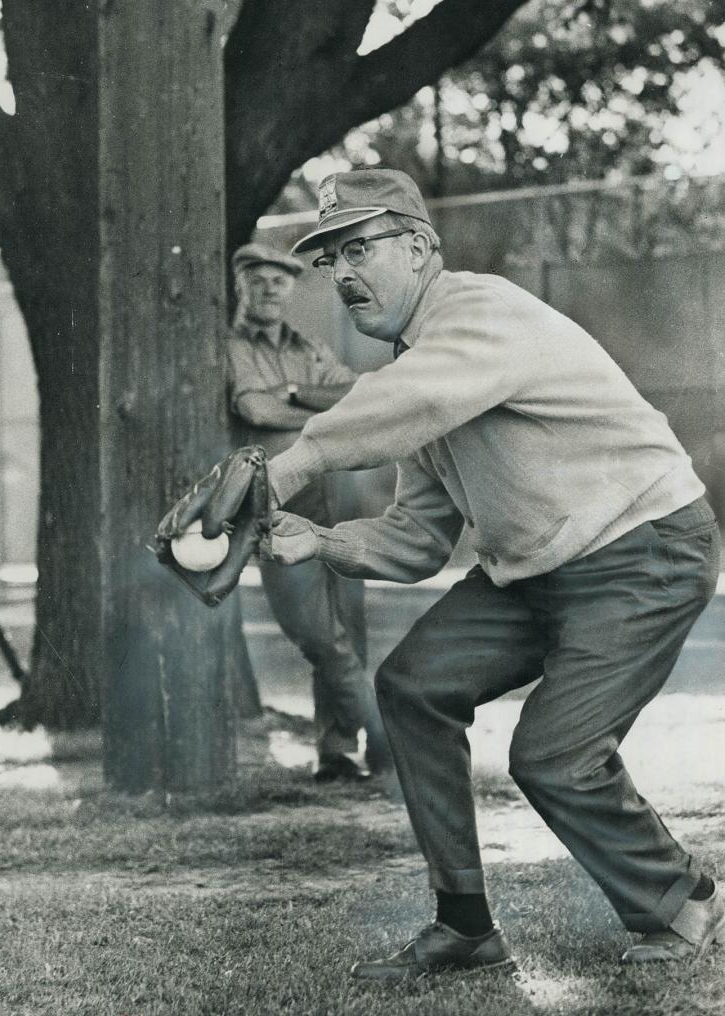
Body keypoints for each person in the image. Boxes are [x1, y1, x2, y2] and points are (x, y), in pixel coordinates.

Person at [183, 170, 723, 975]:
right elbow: (416, 540)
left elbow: (405, 404)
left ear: (420, 247)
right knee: (412, 685)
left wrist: (284, 472)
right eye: (331, 259)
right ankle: (466, 926)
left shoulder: (478, 310)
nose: (344, 273)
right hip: (537, 572)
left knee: (552, 755)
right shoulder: (424, 369)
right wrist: (314, 540)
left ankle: (684, 901)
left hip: (641, 552)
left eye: (360, 246)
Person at [227, 241, 391, 782]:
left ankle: (337, 751)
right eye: (259, 279)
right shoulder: (229, 346)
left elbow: (356, 395)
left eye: (281, 280)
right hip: (274, 504)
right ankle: (387, 734)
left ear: (292, 288)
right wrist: (311, 408)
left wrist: (294, 392)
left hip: (335, 494)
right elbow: (253, 407)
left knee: (350, 626)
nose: (271, 289)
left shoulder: (308, 346)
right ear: (240, 286)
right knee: (319, 635)